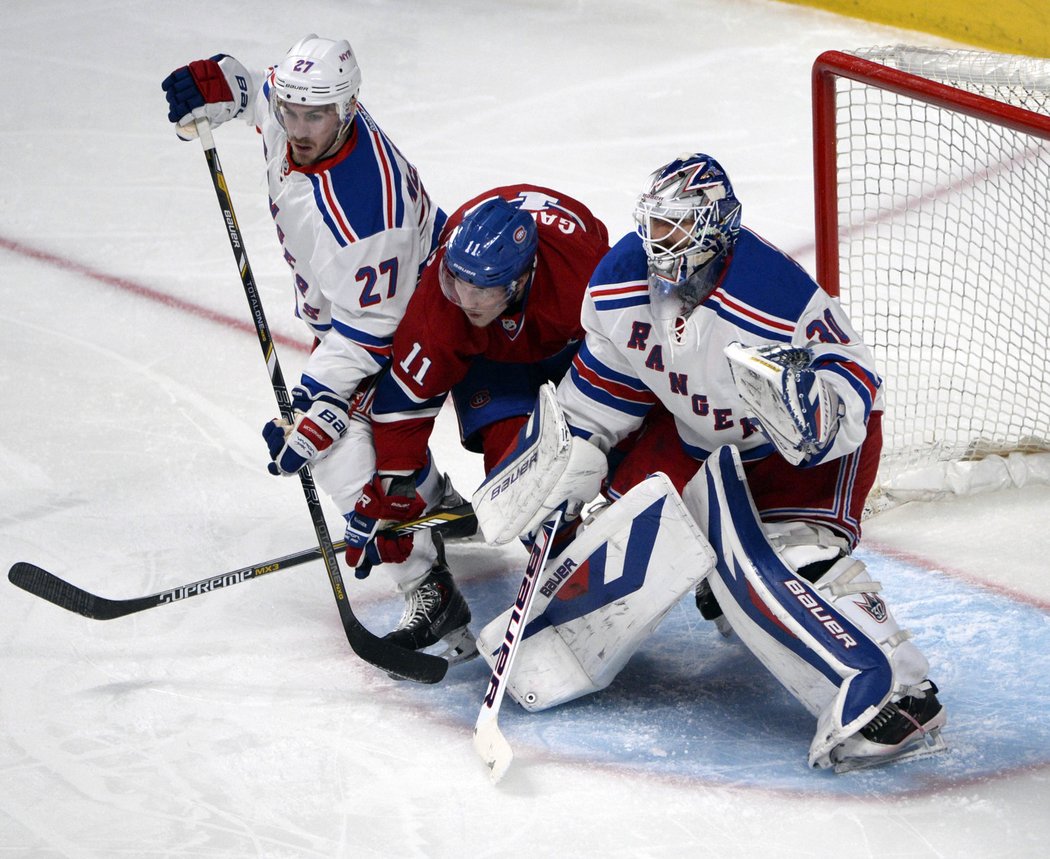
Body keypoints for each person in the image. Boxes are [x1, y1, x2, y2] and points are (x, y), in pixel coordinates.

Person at [527, 152, 946, 770]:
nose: (656, 242)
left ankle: (905, 692)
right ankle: (716, 600)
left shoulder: (774, 298)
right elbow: (600, 394)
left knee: (791, 559)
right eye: (653, 224)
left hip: (800, 455)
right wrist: (573, 464)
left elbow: (854, 391)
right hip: (700, 434)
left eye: (675, 227)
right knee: (628, 537)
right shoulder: (620, 279)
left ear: (714, 227)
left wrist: (812, 417)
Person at [161, 35, 473, 663]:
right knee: (339, 431)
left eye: (315, 116)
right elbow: (255, 94)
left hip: (423, 320)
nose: (297, 129)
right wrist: (219, 82)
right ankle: (438, 504)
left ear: (348, 108)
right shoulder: (304, 110)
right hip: (364, 310)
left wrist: (316, 400)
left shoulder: (367, 212)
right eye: (291, 112)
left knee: (336, 449)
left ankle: (432, 591)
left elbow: (372, 331)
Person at [340, 185, 610, 650]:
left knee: (608, 450)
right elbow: (402, 408)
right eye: (458, 282)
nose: (466, 300)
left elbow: (633, 361)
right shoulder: (444, 303)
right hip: (494, 362)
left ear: (521, 280)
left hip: (578, 348)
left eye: (481, 289)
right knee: (518, 482)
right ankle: (566, 565)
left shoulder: (581, 276)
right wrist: (395, 494)